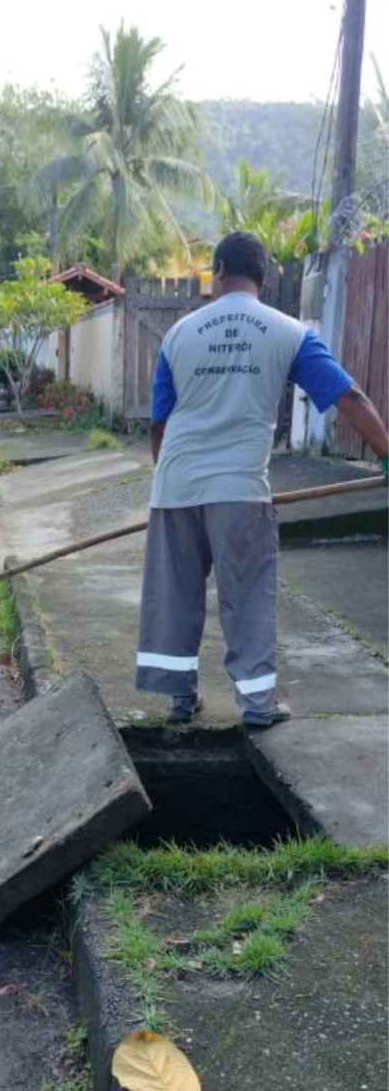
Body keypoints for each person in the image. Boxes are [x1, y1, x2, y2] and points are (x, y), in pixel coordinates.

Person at [135, 230, 389, 729]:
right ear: (264, 279)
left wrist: (166, 481)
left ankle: (179, 700)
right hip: (239, 489)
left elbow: (160, 423)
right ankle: (256, 707)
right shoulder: (288, 332)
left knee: (175, 596)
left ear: (220, 270)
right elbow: (349, 398)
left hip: (177, 483)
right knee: (247, 595)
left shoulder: (180, 334)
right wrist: (386, 455)